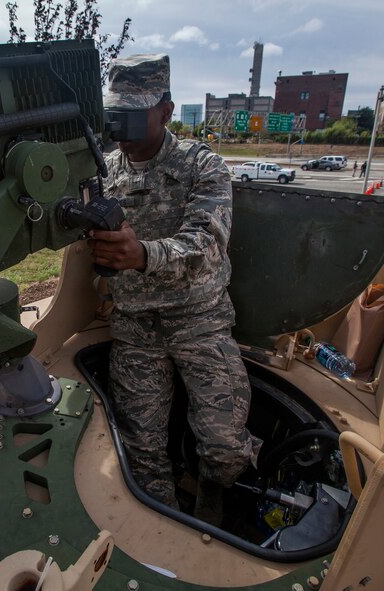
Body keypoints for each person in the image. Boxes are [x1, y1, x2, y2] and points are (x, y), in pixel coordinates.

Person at [89, 54, 261, 523]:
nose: (118, 123)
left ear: (166, 111)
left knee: (225, 446)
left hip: (198, 323)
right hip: (135, 329)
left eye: (134, 110)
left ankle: (212, 507)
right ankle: (164, 531)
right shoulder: (100, 171)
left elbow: (207, 242)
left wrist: (142, 254)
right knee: (140, 452)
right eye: (114, 110)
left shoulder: (203, 166)